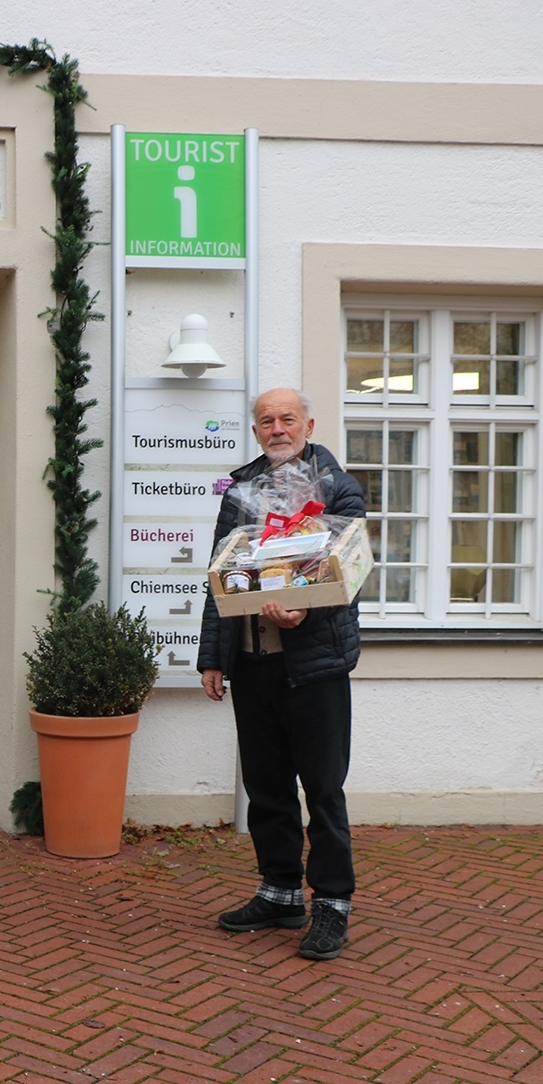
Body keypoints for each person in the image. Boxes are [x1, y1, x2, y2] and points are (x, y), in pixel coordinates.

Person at [199, 388, 364, 961]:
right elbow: (219, 574)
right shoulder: (239, 489)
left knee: (322, 788)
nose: (277, 429)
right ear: (255, 430)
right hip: (252, 662)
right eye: (266, 420)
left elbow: (348, 569)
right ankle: (279, 892)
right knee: (266, 786)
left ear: (308, 425)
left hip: (315, 666)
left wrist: (304, 611)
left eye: (287, 418)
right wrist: (214, 657)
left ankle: (332, 904)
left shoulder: (337, 486)